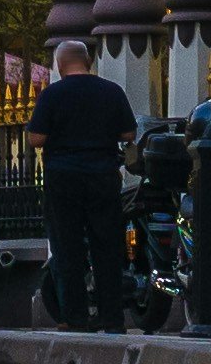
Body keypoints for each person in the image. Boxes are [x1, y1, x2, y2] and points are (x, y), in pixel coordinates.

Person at [28, 36, 136, 331]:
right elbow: (128, 133)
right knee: (107, 246)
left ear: (60, 64)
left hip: (63, 178)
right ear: (89, 62)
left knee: (67, 247)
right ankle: (112, 317)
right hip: (102, 175)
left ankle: (75, 317)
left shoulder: (52, 95)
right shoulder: (111, 91)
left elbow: (36, 138)